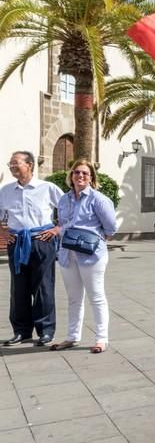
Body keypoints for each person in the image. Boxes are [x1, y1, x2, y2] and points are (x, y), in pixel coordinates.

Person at [50, 159, 118, 353]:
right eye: (77, 172)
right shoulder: (64, 199)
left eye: (85, 173)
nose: (80, 176)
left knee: (96, 296)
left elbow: (111, 228)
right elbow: (63, 222)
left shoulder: (98, 199)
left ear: (91, 178)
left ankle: (101, 339)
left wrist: (93, 238)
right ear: (71, 176)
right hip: (67, 254)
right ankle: (72, 337)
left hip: (91, 255)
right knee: (73, 298)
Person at [0, 151, 63, 346]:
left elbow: (68, 210)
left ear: (30, 165)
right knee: (18, 289)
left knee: (43, 287)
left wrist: (57, 229)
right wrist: (3, 232)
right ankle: (22, 331)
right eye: (10, 163)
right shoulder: (5, 191)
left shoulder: (47, 188)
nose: (11, 166)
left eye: (15, 163)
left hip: (41, 241)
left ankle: (46, 330)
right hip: (16, 242)